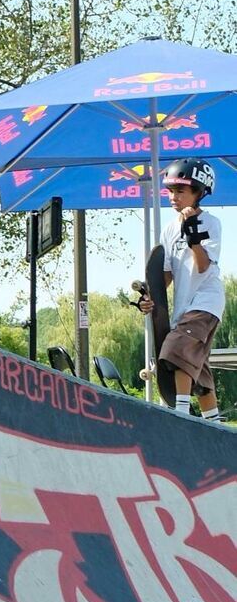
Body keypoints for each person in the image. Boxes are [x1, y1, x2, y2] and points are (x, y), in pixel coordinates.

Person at [137, 158, 224, 421]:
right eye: (171, 191)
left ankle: (181, 416)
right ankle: (216, 426)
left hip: (206, 302)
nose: (173, 197)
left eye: (180, 191)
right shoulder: (169, 229)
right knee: (199, 373)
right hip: (185, 306)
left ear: (199, 192)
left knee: (176, 349)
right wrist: (149, 297)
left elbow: (202, 267)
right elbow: (165, 276)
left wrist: (193, 237)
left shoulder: (211, 223)